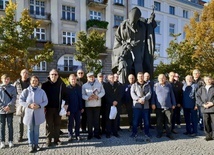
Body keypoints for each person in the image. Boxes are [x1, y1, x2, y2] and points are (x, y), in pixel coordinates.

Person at [112, 7, 156, 84]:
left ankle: (140, 87)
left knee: (139, 71)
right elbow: (117, 42)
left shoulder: (142, 25)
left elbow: (149, 26)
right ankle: (124, 87)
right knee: (123, 66)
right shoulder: (123, 26)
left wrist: (151, 20)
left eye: (135, 22)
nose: (133, 24)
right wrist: (125, 46)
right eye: (132, 22)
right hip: (126, 53)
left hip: (139, 52)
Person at [19, 76, 48, 153]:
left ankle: (36, 144)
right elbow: (21, 100)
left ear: (38, 82)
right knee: (30, 129)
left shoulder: (42, 91)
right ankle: (30, 144)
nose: (34, 82)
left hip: (38, 113)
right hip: (29, 113)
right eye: (33, 80)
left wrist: (39, 106)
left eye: (36, 81)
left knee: (36, 130)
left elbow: (45, 101)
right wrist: (29, 105)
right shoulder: (26, 91)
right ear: (30, 82)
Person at [41, 69, 67, 147]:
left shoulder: (62, 84)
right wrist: (43, 107)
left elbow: (65, 95)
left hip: (58, 108)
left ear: (58, 75)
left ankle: (56, 139)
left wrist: (65, 105)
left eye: (55, 74)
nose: (54, 76)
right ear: (49, 75)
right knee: (49, 124)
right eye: (52, 74)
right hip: (48, 108)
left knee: (57, 124)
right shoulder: (45, 85)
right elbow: (42, 97)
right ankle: (48, 139)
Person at [151, 74, 176, 140]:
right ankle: (159, 133)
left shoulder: (169, 86)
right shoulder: (155, 86)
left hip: (168, 107)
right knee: (159, 121)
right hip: (159, 107)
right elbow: (153, 96)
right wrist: (153, 103)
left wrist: (174, 104)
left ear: (165, 79)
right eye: (160, 78)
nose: (162, 79)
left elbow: (172, 95)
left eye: (163, 78)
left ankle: (169, 134)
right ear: (158, 79)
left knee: (169, 121)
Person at [82, 72, 105, 140]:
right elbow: (82, 95)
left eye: (92, 77)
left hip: (97, 104)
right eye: (89, 77)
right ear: (87, 78)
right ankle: (90, 134)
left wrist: (97, 96)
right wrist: (88, 98)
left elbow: (103, 92)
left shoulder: (99, 84)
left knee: (96, 120)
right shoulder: (84, 86)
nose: (91, 78)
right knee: (89, 120)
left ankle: (96, 134)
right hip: (88, 105)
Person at [130, 72, 151, 139]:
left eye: (141, 76)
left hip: (145, 106)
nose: (140, 77)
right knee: (135, 121)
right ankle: (134, 133)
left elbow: (149, 93)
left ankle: (147, 133)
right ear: (137, 77)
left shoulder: (147, 85)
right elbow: (132, 94)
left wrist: (144, 99)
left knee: (146, 121)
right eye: (139, 76)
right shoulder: (134, 85)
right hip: (137, 106)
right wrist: (138, 99)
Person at [104, 74, 123, 138]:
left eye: (112, 78)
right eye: (110, 78)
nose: (111, 79)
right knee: (108, 119)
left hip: (116, 104)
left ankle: (115, 132)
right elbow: (106, 95)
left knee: (116, 119)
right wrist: (112, 102)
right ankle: (108, 133)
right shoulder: (105, 86)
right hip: (109, 105)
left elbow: (120, 94)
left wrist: (116, 101)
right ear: (108, 79)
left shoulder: (118, 85)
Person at [0, 74, 16, 149]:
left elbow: (14, 97)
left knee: (10, 125)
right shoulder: (0, 88)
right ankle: (2, 141)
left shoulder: (12, 88)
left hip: (10, 109)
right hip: (1, 110)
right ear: (2, 79)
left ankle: (10, 141)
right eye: (5, 79)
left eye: (8, 79)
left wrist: (8, 106)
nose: (6, 80)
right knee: (2, 126)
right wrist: (3, 107)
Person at [14, 69, 30, 142]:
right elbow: (13, 94)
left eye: (26, 73)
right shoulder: (16, 83)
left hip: (29, 103)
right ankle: (20, 136)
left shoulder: (31, 82)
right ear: (21, 74)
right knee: (20, 121)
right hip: (20, 104)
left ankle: (30, 135)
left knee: (30, 120)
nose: (25, 74)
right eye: (24, 73)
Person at [196, 76, 214, 141]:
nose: (208, 81)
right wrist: (202, 104)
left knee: (213, 122)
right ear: (204, 81)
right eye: (206, 80)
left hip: (213, 108)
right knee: (206, 123)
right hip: (205, 108)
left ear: (211, 80)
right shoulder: (201, 89)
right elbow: (197, 97)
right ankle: (208, 136)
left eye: (209, 79)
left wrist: (212, 103)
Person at [66, 74, 83, 142]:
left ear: (76, 80)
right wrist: (67, 109)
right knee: (70, 123)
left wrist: (81, 107)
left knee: (78, 122)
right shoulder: (67, 88)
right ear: (69, 80)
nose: (73, 80)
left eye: (74, 79)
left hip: (78, 108)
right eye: (72, 79)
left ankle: (77, 134)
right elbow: (66, 100)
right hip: (70, 109)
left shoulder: (79, 88)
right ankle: (70, 135)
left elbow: (80, 98)